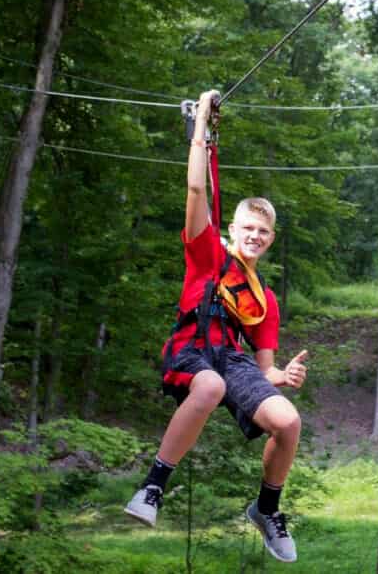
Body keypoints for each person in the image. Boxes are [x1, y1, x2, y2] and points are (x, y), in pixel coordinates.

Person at [124, 90, 308, 564]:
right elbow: (195, 191)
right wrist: (201, 126)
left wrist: (280, 378)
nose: (255, 236)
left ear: (270, 240)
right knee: (206, 386)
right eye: (248, 227)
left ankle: (267, 510)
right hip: (191, 352)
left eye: (263, 232)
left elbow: (262, 370)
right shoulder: (207, 252)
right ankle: (152, 488)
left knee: (288, 422)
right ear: (233, 228)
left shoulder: (263, 299)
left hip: (232, 359)